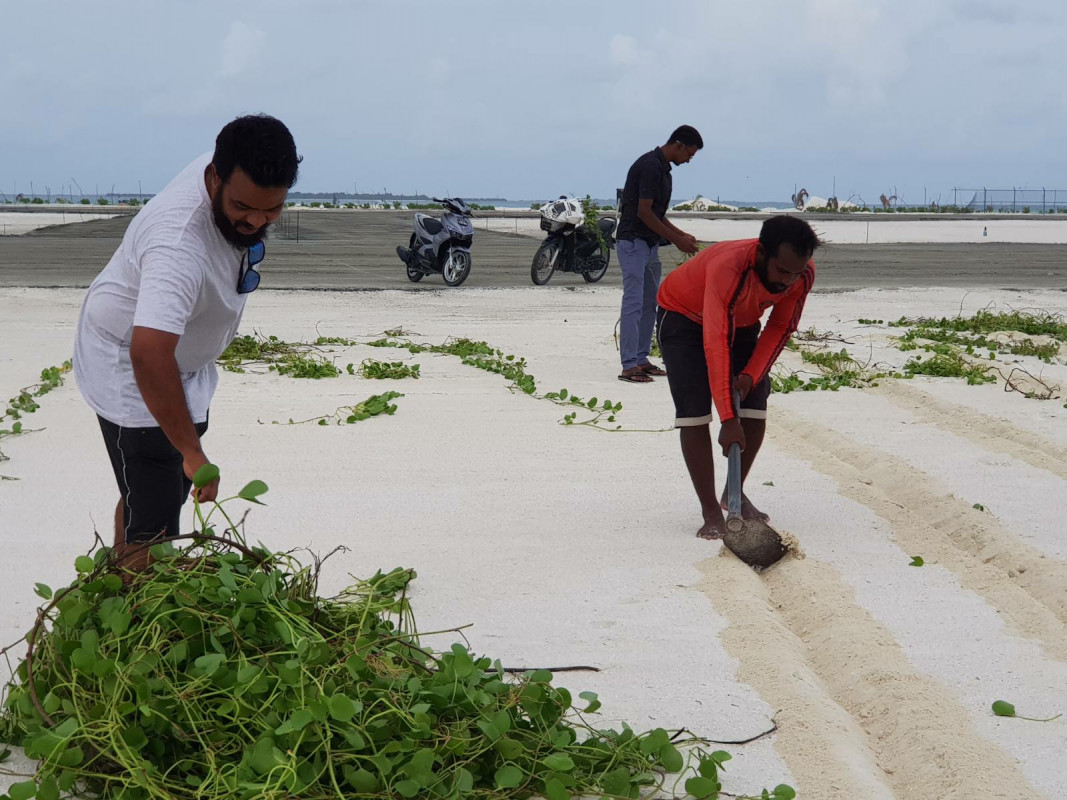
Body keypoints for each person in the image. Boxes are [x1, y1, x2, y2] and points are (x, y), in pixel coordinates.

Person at [73, 114, 301, 567]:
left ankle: (120, 565)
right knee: (156, 521)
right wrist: (193, 452)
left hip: (180, 361)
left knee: (159, 488)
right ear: (214, 177)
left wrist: (188, 453)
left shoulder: (233, 167)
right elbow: (148, 353)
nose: (256, 220)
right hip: (130, 361)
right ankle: (133, 591)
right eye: (242, 207)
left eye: (272, 209)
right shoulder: (177, 244)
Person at [655, 215, 822, 539]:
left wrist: (750, 375)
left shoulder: (802, 275)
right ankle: (710, 511)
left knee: (755, 405)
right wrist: (728, 419)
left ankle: (733, 493)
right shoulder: (729, 266)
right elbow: (715, 341)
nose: (788, 281)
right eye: (782, 271)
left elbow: (780, 326)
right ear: (761, 253)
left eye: (795, 273)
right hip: (683, 316)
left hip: (742, 322)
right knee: (694, 412)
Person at [616, 125, 702, 383]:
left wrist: (682, 235)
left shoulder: (664, 170)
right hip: (633, 241)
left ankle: (641, 359)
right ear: (679, 145)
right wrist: (676, 240)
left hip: (650, 244)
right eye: (689, 154)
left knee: (650, 303)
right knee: (633, 303)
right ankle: (629, 365)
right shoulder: (650, 166)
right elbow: (643, 213)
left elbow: (658, 214)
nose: (689, 160)